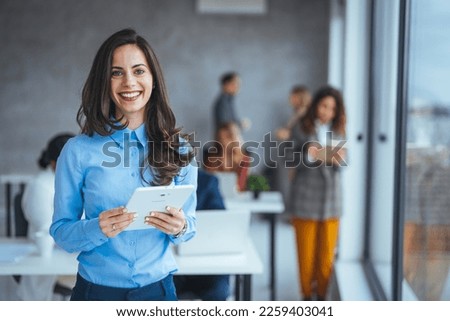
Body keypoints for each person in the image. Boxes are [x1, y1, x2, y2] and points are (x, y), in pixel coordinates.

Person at [49, 28, 197, 301]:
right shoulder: (77, 151)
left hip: (159, 293)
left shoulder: (180, 149)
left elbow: (190, 225)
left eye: (139, 71)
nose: (129, 82)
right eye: (117, 72)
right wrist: (96, 228)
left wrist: (180, 227)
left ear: (153, 79)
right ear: (104, 82)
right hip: (95, 295)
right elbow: (61, 232)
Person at [287, 85, 347, 301]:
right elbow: (291, 158)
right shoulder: (301, 128)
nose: (327, 112)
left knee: (325, 259)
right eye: (324, 105)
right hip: (305, 199)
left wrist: (332, 156)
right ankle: (306, 298)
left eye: (332, 108)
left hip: (332, 201)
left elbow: (344, 160)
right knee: (306, 257)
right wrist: (311, 154)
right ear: (316, 105)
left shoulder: (339, 130)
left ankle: (322, 298)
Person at [15, 133, 75, 300]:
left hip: (74, 258)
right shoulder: (40, 186)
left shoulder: (78, 182)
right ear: (54, 163)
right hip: (52, 265)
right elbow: (49, 230)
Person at [173, 168, 230, 300]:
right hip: (171, 264)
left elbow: (220, 221)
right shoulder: (153, 180)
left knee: (218, 290)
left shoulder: (208, 181)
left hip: (205, 258)